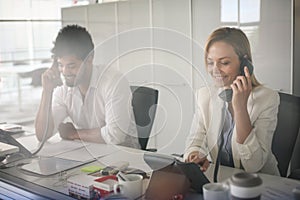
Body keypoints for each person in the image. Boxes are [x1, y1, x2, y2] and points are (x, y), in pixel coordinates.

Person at [184, 27, 280, 175]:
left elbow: (254, 165)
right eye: (210, 62)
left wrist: (240, 107)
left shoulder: (267, 99)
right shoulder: (204, 96)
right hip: (221, 179)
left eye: (224, 62)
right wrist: (194, 155)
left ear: (244, 64)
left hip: (260, 183)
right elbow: (195, 141)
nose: (215, 70)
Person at [35, 24, 140, 148]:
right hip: (87, 155)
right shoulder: (64, 88)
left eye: (71, 66)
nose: (65, 72)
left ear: (90, 58)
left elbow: (114, 135)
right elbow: (42, 135)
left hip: (123, 157)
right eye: (60, 65)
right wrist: (47, 91)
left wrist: (74, 134)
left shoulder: (113, 81)